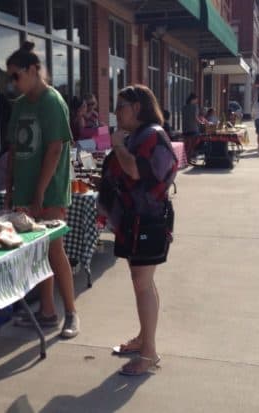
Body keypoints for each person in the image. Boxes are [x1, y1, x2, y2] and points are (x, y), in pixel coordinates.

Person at [3, 40, 80, 338]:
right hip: (24, 192)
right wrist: (11, 190)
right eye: (9, 77)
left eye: (16, 75)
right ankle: (47, 310)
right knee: (37, 253)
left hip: (50, 192)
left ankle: (71, 312)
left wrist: (39, 193)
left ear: (33, 70)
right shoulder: (20, 105)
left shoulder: (52, 102)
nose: (13, 83)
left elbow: (54, 150)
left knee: (54, 249)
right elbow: (13, 151)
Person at [100, 84, 177, 376]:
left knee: (142, 283)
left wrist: (117, 145)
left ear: (137, 107)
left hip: (147, 221)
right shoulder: (142, 135)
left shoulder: (153, 136)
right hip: (136, 220)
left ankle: (149, 355)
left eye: (121, 106)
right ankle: (144, 338)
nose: (117, 111)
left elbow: (135, 171)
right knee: (143, 281)